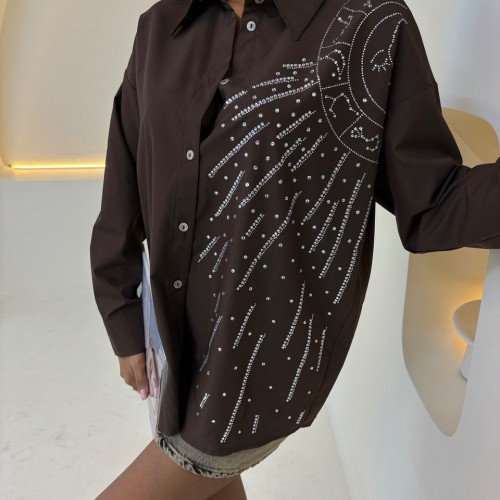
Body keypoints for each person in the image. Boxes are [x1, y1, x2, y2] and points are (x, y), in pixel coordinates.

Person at [89, 0, 500, 498]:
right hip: (171, 343)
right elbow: (123, 185)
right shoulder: (160, 26)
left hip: (255, 366)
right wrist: (122, 315)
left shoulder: (368, 24)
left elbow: (432, 200)